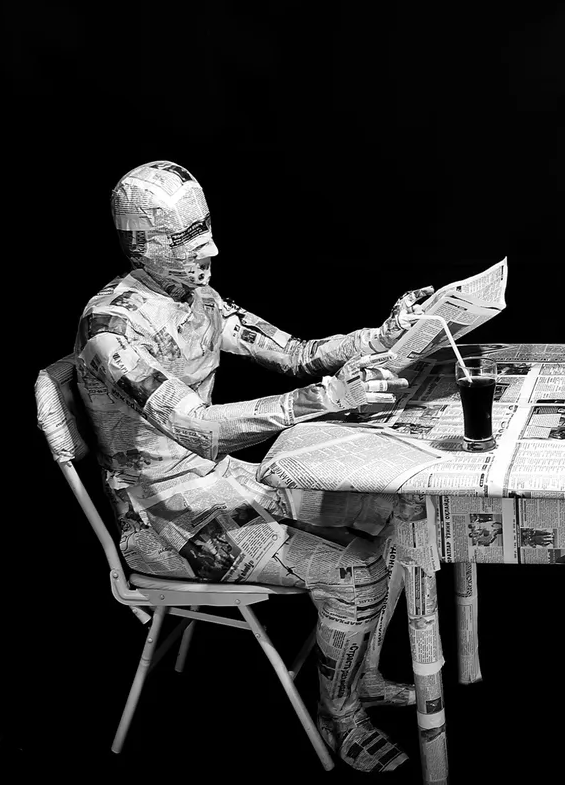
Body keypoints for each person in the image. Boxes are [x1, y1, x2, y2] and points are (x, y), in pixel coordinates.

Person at [75, 160, 437, 772]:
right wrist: (326, 400)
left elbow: (294, 353)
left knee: (392, 510)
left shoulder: (200, 300)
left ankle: (360, 673)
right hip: (164, 521)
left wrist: (384, 334)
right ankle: (338, 713)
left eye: (205, 227)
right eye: (185, 235)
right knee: (355, 575)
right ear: (140, 242)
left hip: (215, 486)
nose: (209, 246)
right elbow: (199, 429)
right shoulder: (111, 331)